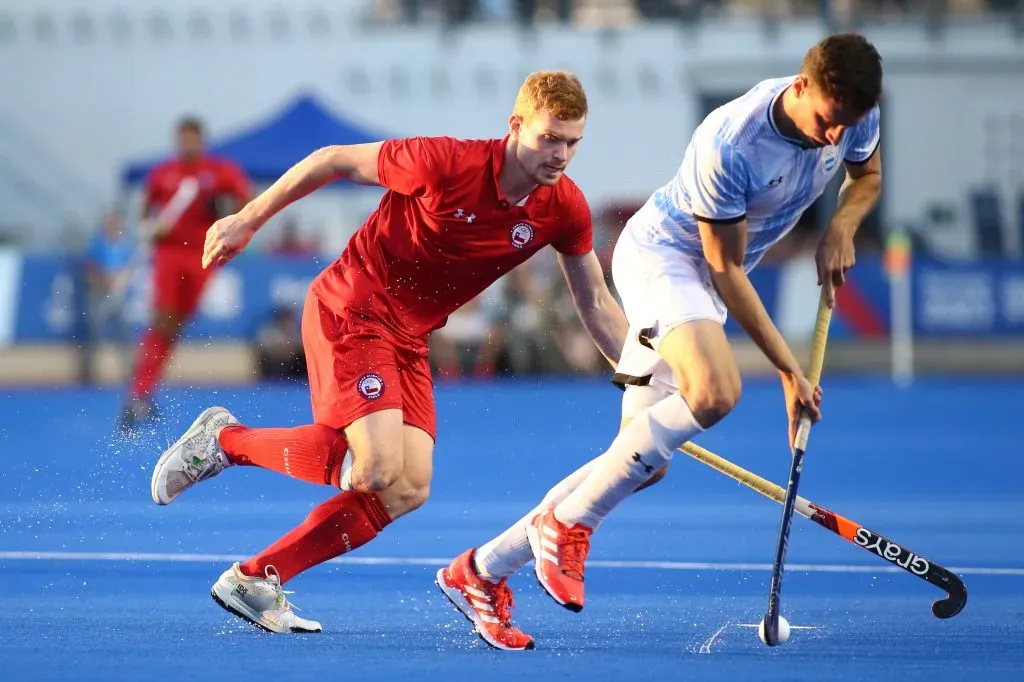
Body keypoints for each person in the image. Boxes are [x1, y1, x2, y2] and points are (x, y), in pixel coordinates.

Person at [148, 71, 628, 643]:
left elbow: (595, 300)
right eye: (551, 137)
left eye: (573, 142)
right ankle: (224, 442)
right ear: (516, 126)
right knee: (374, 469)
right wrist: (249, 218)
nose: (561, 154)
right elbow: (330, 160)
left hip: (408, 336)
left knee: (405, 489)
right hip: (352, 307)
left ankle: (256, 578)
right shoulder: (442, 162)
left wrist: (641, 375)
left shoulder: (563, 207)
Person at [438, 32, 884, 647]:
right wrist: (788, 371)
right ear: (803, 87)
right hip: (665, 260)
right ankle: (568, 524)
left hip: (705, 283)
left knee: (638, 465)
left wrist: (843, 224)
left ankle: (480, 572)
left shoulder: (855, 106)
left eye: (849, 125)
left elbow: (867, 176)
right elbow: (723, 269)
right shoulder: (733, 140)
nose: (836, 137)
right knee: (715, 391)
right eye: (830, 122)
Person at [120, 117, 252, 429]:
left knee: (174, 325)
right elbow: (144, 208)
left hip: (201, 255)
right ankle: (138, 392)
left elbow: (245, 199)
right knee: (163, 319)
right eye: (183, 139)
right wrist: (148, 227)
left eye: (193, 139)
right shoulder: (163, 173)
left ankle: (143, 390)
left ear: (202, 140)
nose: (188, 145)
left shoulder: (220, 171)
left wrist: (227, 215)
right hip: (169, 255)